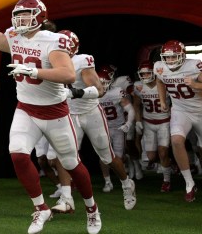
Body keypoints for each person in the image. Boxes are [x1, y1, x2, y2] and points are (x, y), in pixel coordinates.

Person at [0, 0, 101, 234]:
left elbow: (68, 73)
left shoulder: (54, 40)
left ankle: (92, 209)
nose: (19, 20)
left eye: (25, 15)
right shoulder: (15, 37)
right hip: (26, 109)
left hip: (56, 111)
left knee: (72, 164)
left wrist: (34, 71)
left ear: (39, 17)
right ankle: (41, 208)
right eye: (17, 16)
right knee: (17, 154)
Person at [55, 31, 136, 213]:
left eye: (59, 45)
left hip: (90, 112)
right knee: (64, 152)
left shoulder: (81, 61)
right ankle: (66, 196)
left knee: (106, 156)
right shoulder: (49, 61)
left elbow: (98, 90)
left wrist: (76, 93)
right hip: (69, 113)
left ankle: (126, 183)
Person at [154, 40, 202, 201]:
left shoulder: (196, 65)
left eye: (174, 57)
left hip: (200, 110)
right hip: (180, 110)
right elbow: (160, 81)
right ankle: (189, 183)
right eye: (167, 58)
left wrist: (196, 84)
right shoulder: (159, 67)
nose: (170, 61)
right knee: (176, 140)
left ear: (182, 55)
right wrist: (162, 100)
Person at [132, 60, 172, 192]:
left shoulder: (163, 84)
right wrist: (138, 121)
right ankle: (169, 164)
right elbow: (137, 105)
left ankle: (166, 180)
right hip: (148, 122)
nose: (144, 77)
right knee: (151, 157)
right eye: (142, 74)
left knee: (163, 152)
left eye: (147, 74)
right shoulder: (138, 86)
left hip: (164, 121)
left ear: (154, 73)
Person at [97, 65, 137, 195]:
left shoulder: (117, 91)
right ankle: (107, 181)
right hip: (102, 127)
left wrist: (129, 123)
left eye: (105, 83)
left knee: (118, 158)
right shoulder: (92, 93)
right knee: (103, 156)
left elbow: (130, 109)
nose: (102, 85)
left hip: (118, 127)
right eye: (100, 83)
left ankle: (124, 179)